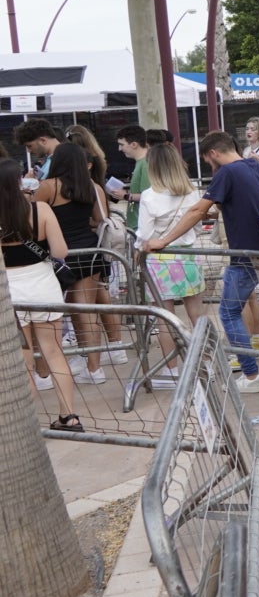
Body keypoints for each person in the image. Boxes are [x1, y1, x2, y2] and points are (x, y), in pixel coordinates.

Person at [144, 131, 259, 394]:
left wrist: (163, 240)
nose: (210, 166)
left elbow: (197, 210)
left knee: (229, 312)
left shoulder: (227, 172)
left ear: (213, 153)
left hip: (244, 256)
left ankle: (251, 374)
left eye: (208, 161)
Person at [2, 158, 80, 430]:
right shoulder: (41, 209)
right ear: (19, 181)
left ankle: (26, 425)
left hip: (9, 292)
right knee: (54, 352)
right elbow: (60, 252)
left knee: (23, 361)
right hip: (43, 286)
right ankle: (68, 416)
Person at [34, 142, 120, 382]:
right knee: (86, 311)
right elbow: (98, 219)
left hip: (57, 255)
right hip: (89, 251)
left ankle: (45, 372)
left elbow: (34, 218)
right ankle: (94, 369)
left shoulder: (48, 186)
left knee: (50, 312)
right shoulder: (93, 187)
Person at [135, 142, 207, 388]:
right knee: (197, 315)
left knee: (165, 318)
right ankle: (207, 364)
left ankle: (171, 372)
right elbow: (197, 227)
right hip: (187, 255)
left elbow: (144, 235)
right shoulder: (192, 191)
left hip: (159, 259)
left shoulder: (149, 196)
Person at [112, 125, 149, 231]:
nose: (119, 149)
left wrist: (125, 195)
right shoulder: (141, 163)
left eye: (121, 145)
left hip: (142, 225)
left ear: (134, 144)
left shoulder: (145, 164)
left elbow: (148, 196)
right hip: (137, 223)